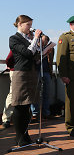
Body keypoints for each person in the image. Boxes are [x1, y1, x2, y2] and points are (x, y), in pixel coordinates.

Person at [9, 15, 42, 146]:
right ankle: (19, 136)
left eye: (30, 24)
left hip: (31, 73)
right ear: (20, 24)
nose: (30, 28)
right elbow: (27, 53)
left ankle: (25, 133)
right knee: (19, 106)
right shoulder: (14, 38)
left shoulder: (28, 39)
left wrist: (40, 46)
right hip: (21, 73)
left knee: (28, 104)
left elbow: (34, 54)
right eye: (28, 25)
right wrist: (34, 39)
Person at [31, 35, 54, 120]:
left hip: (46, 72)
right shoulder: (34, 48)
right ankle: (35, 113)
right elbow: (35, 60)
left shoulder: (50, 49)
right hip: (36, 71)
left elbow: (50, 61)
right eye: (43, 41)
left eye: (46, 42)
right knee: (35, 93)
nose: (44, 43)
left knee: (46, 93)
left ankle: (46, 113)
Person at [1, 50, 15, 130]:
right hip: (15, 71)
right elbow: (8, 59)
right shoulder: (17, 42)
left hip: (26, 72)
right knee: (12, 94)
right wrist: (11, 67)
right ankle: (6, 119)